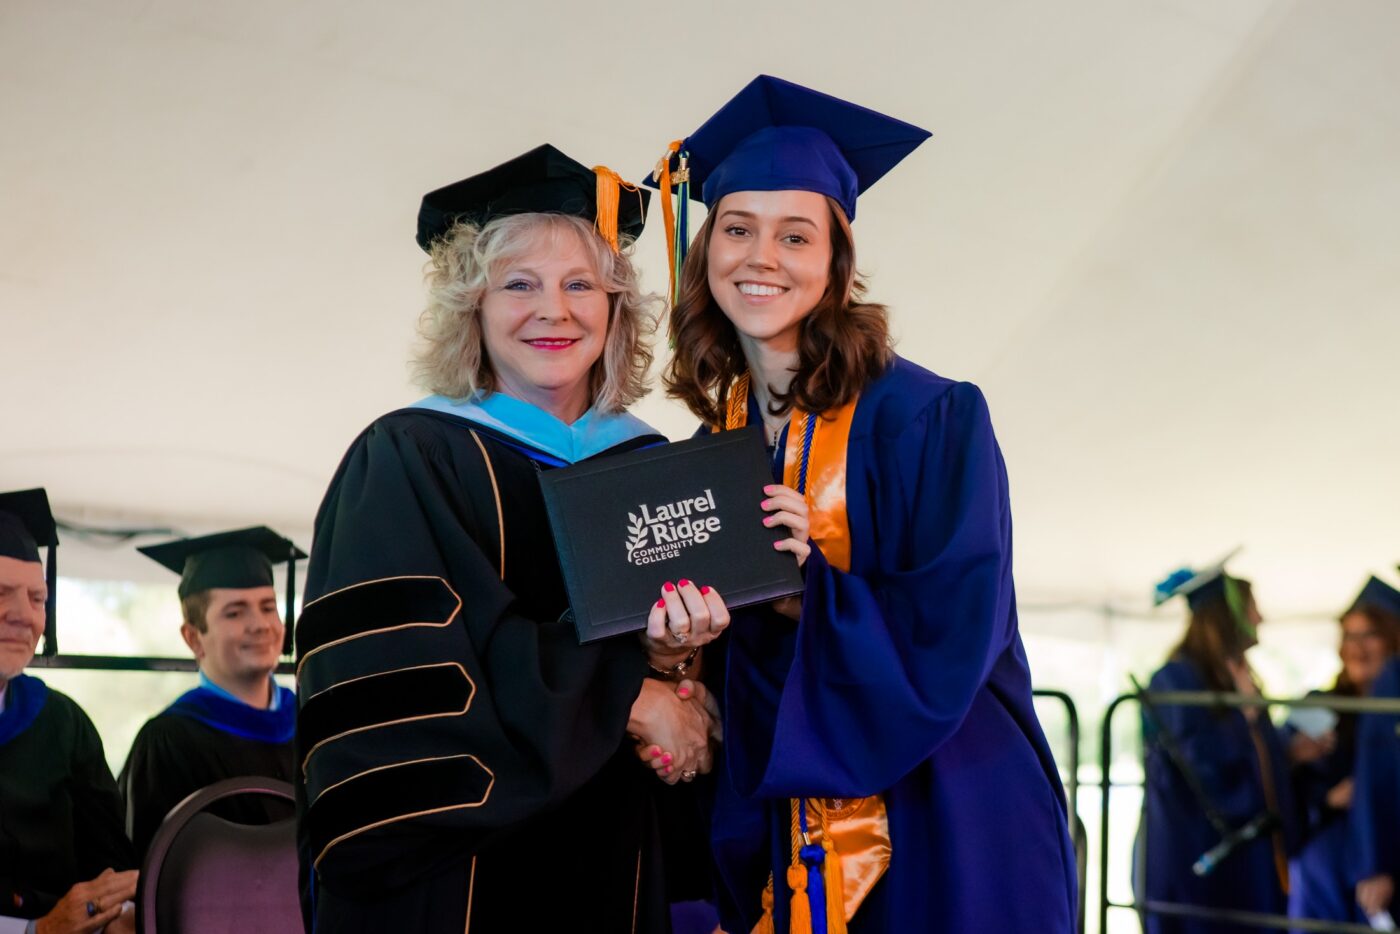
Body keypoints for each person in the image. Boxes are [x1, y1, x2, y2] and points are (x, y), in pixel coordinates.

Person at [650, 75, 1078, 933]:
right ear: (706, 253)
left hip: (946, 813)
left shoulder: (930, 418)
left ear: (837, 264)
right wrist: (678, 667)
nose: (760, 257)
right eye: (736, 228)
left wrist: (807, 590)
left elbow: (960, 630)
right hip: (786, 811)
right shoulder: (708, 455)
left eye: (795, 236)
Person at [295, 144, 750, 933]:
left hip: (615, 853)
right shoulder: (406, 457)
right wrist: (626, 701)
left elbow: (696, 680)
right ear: (470, 307)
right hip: (455, 881)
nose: (555, 310)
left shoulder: (654, 468)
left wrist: (682, 672)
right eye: (519, 285)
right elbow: (400, 693)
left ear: (615, 309)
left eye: (582, 284)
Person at [119, 527, 303, 859]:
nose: (260, 624)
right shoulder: (170, 741)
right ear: (193, 638)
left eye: (267, 607)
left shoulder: (312, 721)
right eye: (235, 612)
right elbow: (156, 871)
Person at [0, 489, 137, 934]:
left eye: (37, 598)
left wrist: (119, 913)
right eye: (1, 592)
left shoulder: (62, 723)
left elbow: (111, 869)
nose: (24, 615)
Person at [1138, 556, 1297, 934]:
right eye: (1253, 609)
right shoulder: (1176, 679)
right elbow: (1203, 763)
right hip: (1201, 855)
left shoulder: (1235, 680)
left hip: (1249, 857)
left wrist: (1288, 750)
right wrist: (1246, 717)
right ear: (1230, 615)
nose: (1260, 619)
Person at [1285, 576, 1400, 930]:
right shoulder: (1319, 707)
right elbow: (1280, 786)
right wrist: (1324, 795)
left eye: (1370, 635)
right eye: (1350, 636)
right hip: (1330, 861)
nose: (1358, 647)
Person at [1350, 568, 1400, 924]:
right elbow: (1377, 776)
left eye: (1367, 635)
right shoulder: (1393, 680)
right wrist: (1377, 863)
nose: (1357, 647)